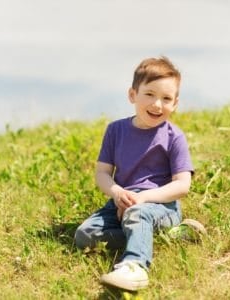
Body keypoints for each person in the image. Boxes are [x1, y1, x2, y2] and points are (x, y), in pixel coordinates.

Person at [74, 56, 195, 291]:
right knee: (84, 235)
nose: (157, 104)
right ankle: (164, 236)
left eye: (166, 98)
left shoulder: (174, 137)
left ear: (175, 104)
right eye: (149, 94)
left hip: (160, 204)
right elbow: (102, 173)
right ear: (133, 95)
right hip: (121, 201)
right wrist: (117, 193)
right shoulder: (115, 130)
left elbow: (182, 186)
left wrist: (142, 199)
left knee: (138, 215)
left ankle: (135, 266)